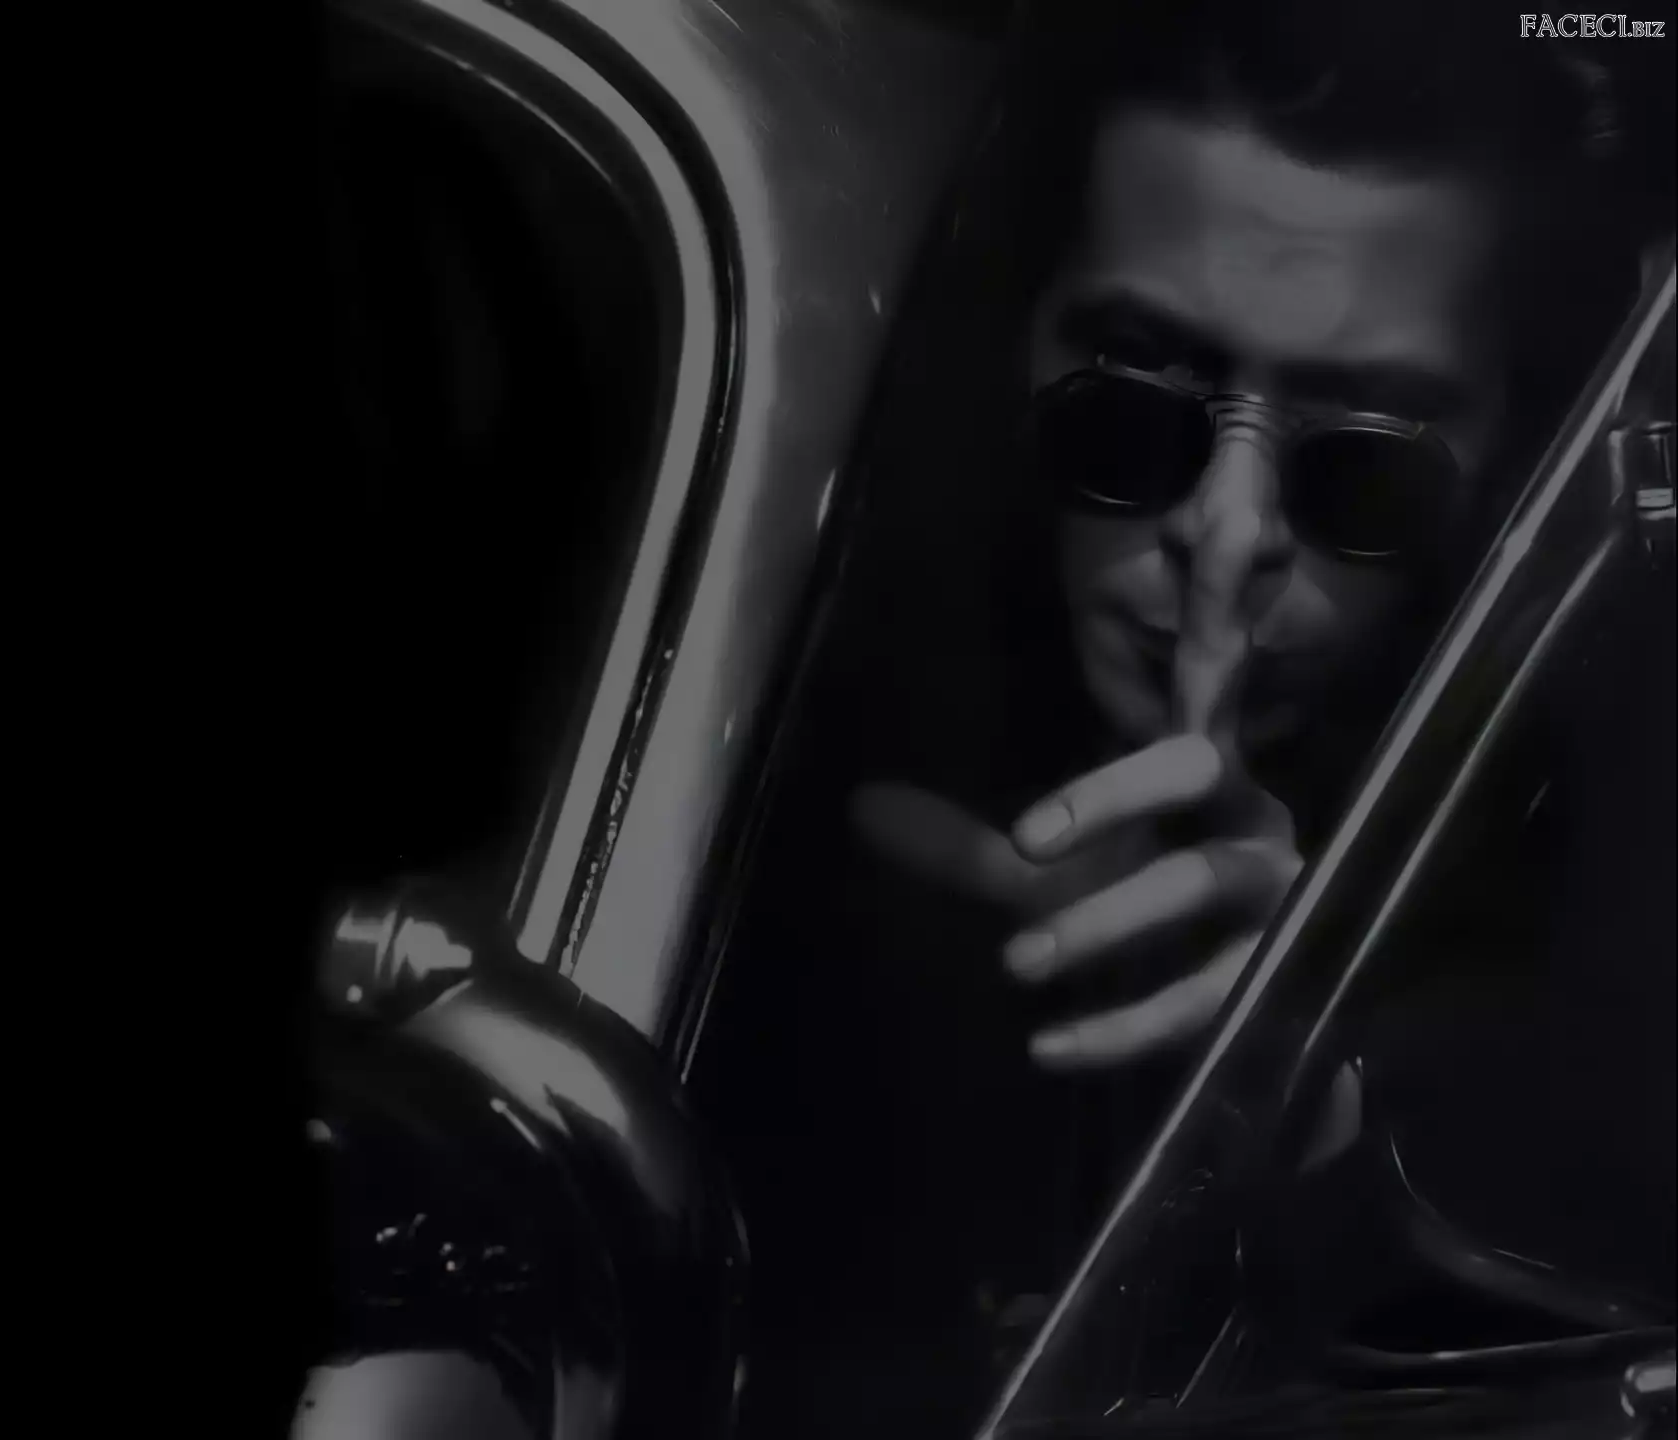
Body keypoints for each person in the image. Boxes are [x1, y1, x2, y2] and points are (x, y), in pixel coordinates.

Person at [691, 5, 1673, 1438]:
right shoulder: (748, 718)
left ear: (1508, 473)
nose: (1227, 540)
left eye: (1364, 468)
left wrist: (1308, 1098)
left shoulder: (1598, 901)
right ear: (1010, 344)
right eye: (1131, 405)